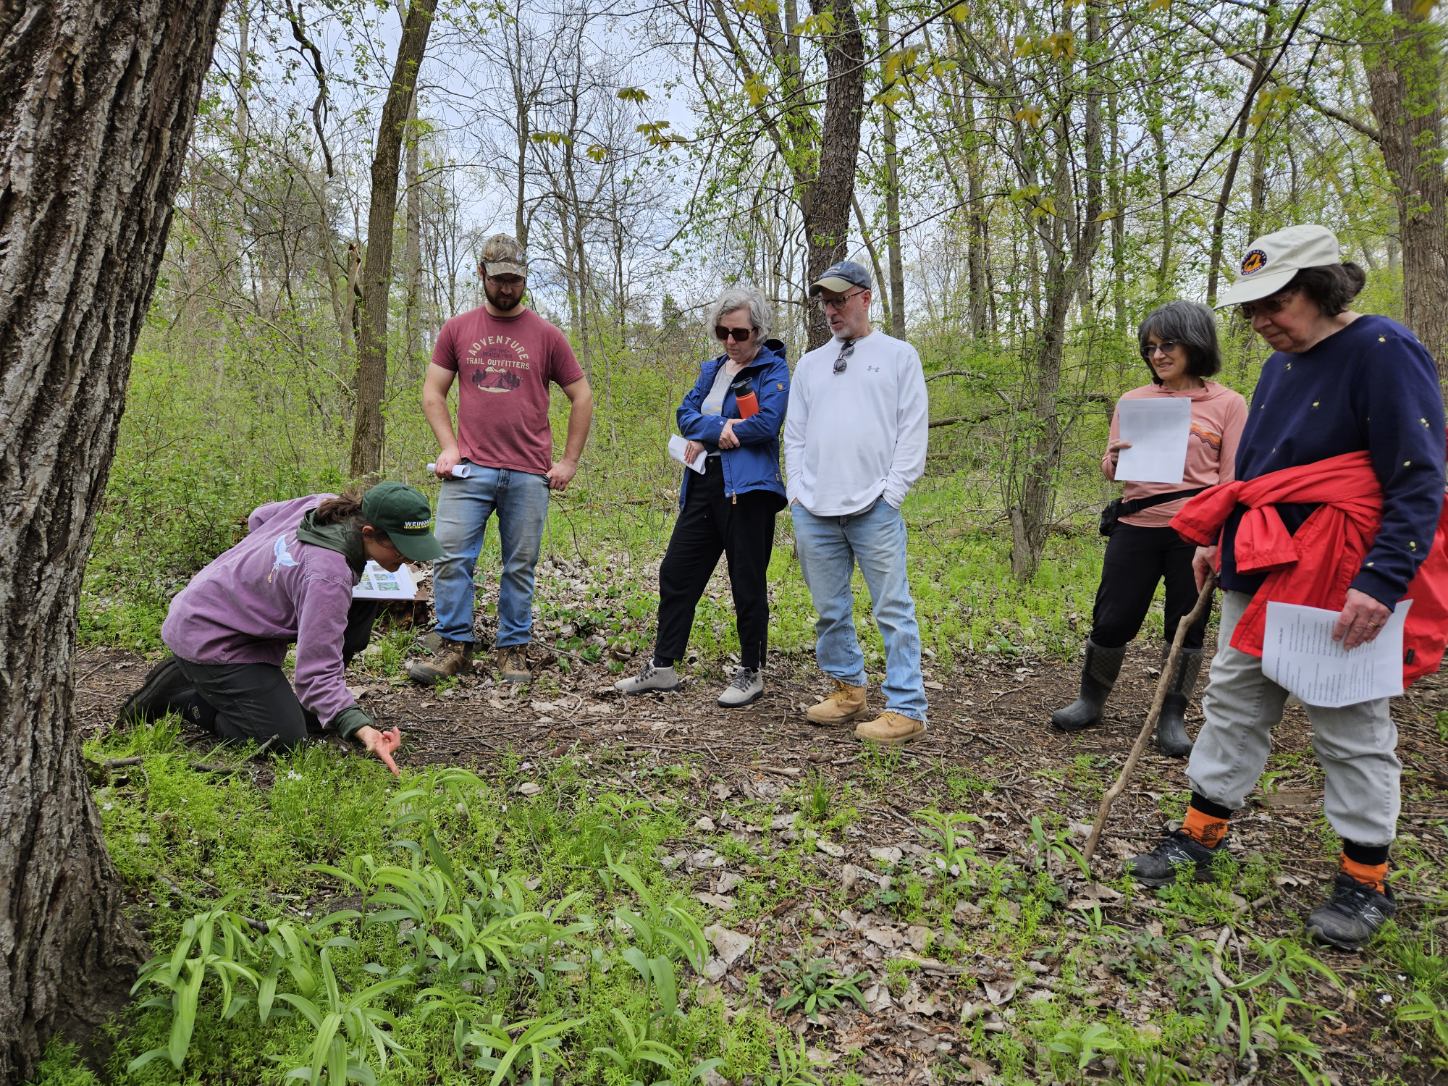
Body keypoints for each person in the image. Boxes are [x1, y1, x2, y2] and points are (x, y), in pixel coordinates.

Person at [1127, 225, 1447, 951]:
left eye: (1279, 300)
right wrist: (1216, 538)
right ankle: (1200, 836)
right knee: (1235, 699)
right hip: (1262, 560)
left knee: (1350, 724)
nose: (1264, 319)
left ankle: (1365, 879)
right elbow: (1255, 477)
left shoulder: (1383, 349)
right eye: (1252, 309)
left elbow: (1420, 474)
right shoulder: (1278, 368)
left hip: (1342, 571)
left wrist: (1382, 579)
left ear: (1324, 286)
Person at [116, 482, 445, 775]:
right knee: (282, 739)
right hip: (210, 635)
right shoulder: (327, 577)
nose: (407, 558)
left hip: (218, 612)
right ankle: (180, 695)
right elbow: (316, 672)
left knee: (360, 609)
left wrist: (264, 579)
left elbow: (259, 517)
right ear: (368, 533)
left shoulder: (326, 506)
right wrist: (363, 730)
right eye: (399, 548)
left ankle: (313, 705)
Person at [1051, 301, 1247, 756]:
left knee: (1186, 624)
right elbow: (1110, 467)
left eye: (1168, 345)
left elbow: (1231, 479)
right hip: (1136, 525)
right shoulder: (1133, 400)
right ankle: (1090, 700)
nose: (1158, 355)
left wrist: (1215, 538)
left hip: (1194, 533)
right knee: (1113, 617)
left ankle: (1172, 716)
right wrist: (1115, 459)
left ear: (1196, 344)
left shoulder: (1228, 404)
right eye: (1150, 347)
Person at [408, 233, 593, 686]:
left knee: (520, 565)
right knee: (450, 558)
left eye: (515, 279)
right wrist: (449, 447)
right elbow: (433, 392)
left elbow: (581, 396)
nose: (507, 288)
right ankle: (453, 646)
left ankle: (512, 649)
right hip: (470, 468)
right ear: (481, 275)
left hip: (530, 472)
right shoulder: (457, 329)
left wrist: (568, 461)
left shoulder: (547, 336)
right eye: (499, 280)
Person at [614, 286, 789, 707]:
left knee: (746, 580)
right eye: (722, 331)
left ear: (758, 332)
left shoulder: (774, 371)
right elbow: (684, 414)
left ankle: (751, 671)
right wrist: (719, 431)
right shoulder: (711, 370)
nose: (730, 340)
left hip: (748, 491)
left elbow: (766, 425)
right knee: (676, 571)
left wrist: (714, 428)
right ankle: (663, 666)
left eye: (740, 333)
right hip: (703, 484)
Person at [785, 260, 930, 745]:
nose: (830, 309)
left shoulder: (897, 355)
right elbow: (796, 435)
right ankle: (848, 689)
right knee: (830, 608)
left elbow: (913, 430)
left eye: (839, 299)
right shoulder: (809, 364)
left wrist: (892, 493)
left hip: (874, 508)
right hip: (815, 510)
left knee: (893, 607)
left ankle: (907, 706)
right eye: (825, 301)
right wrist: (797, 494)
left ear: (865, 297)